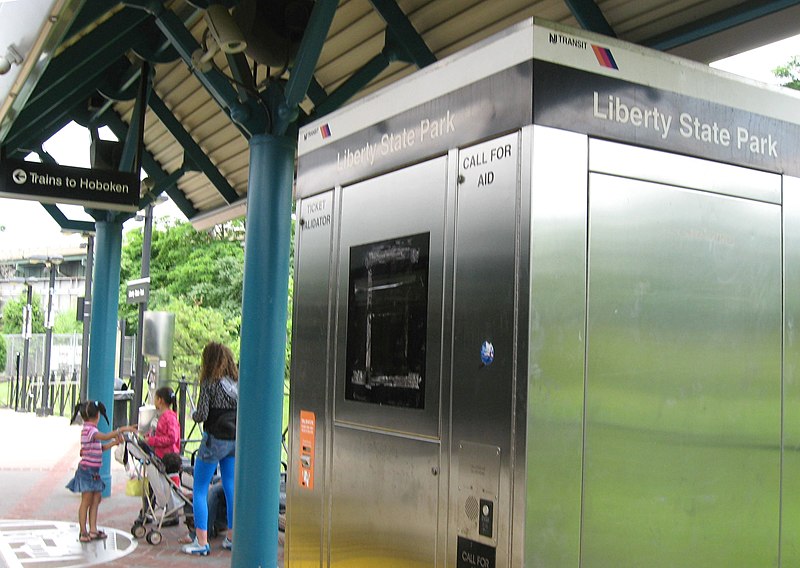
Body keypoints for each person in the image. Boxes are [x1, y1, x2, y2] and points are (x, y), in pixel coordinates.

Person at [182, 341, 238, 556]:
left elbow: (202, 414)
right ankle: (232, 537)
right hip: (234, 439)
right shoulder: (236, 382)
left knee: (200, 488)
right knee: (230, 484)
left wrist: (193, 414)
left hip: (214, 439)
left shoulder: (210, 382)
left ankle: (202, 541)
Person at [66, 400, 124, 543]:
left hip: (94, 472)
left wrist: (115, 443)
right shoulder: (90, 430)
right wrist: (119, 431)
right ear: (97, 416)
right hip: (87, 472)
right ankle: (83, 531)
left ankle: (92, 529)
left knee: (95, 500)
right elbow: (103, 437)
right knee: (86, 501)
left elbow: (101, 447)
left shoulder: (90, 430)